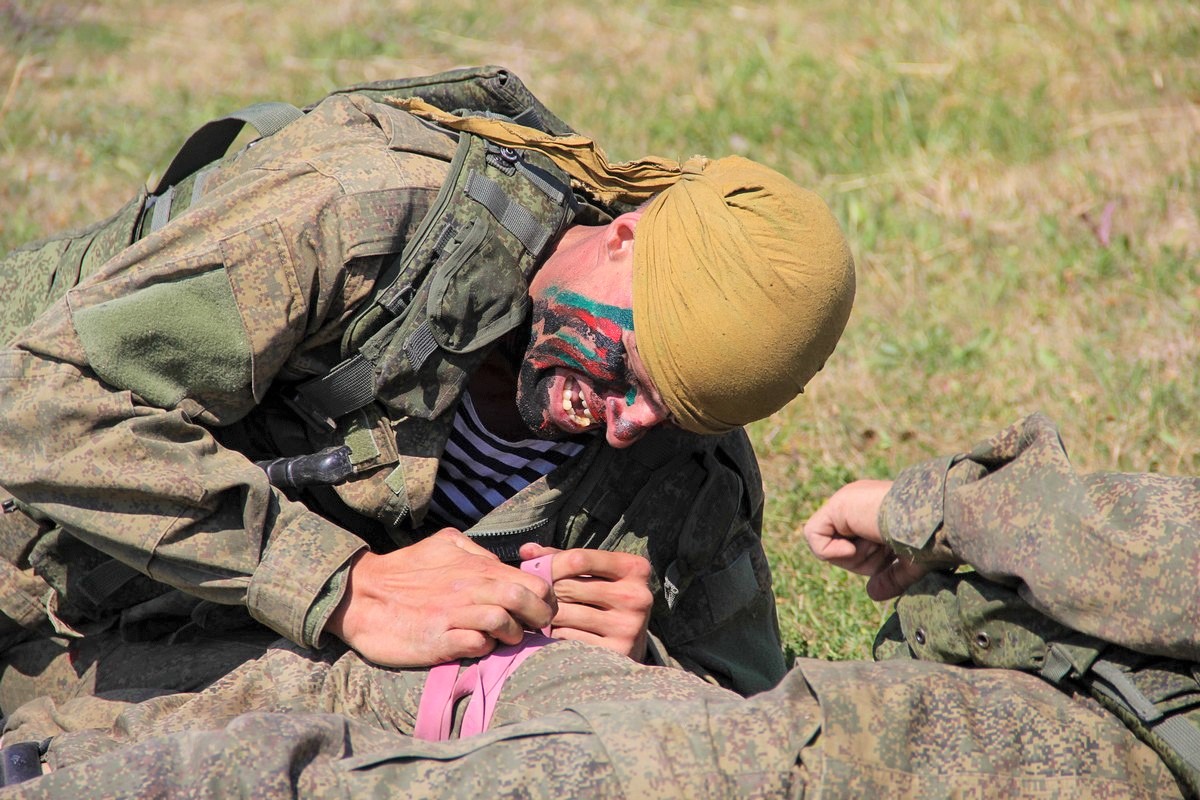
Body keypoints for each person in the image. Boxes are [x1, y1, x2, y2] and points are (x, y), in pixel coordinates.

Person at [0, 66, 857, 715]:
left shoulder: (688, 460)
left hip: (166, 659)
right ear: (622, 237)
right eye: (635, 371)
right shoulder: (360, 214)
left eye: (679, 410)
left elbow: (754, 719)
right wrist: (347, 587)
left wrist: (640, 659)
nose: (632, 424)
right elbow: (40, 403)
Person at [0, 412, 1194, 797]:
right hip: (780, 755)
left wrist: (931, 504)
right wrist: (935, 513)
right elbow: (1158, 559)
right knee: (440, 711)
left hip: (786, 757)